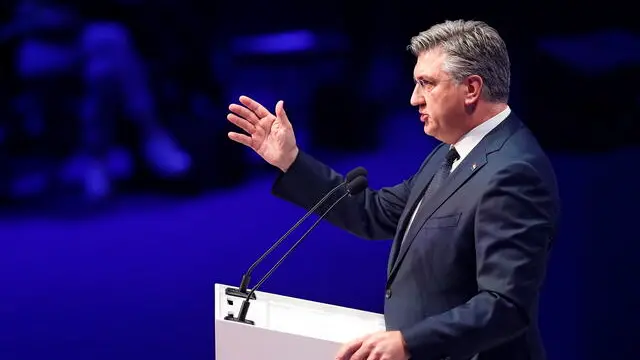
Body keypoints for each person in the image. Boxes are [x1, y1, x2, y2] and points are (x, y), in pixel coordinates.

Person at [226, 19, 560, 360]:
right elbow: (373, 213)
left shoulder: (514, 172)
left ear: (471, 89)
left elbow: (505, 305)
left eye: (426, 84)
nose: (414, 98)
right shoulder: (453, 150)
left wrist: (410, 343)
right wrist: (290, 161)